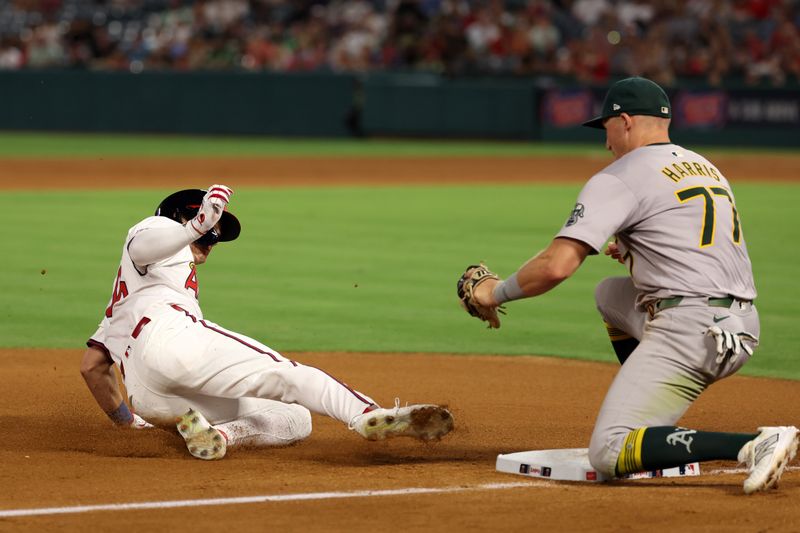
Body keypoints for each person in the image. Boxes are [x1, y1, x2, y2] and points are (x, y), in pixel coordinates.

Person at [463, 77, 798, 494]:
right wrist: (638, 252)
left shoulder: (619, 176)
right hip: (741, 326)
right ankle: (651, 418)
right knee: (608, 294)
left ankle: (753, 444)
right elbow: (693, 240)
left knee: (609, 450)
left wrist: (493, 292)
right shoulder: (703, 165)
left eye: (606, 128)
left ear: (623, 122)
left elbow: (556, 266)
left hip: (691, 332)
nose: (606, 143)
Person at [81, 185, 454, 460]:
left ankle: (221, 437)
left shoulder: (121, 303)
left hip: (151, 397)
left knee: (295, 418)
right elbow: (144, 244)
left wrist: (129, 423)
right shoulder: (152, 232)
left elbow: (93, 368)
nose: (212, 239)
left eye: (214, 236)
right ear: (180, 216)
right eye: (209, 230)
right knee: (284, 374)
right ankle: (369, 415)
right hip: (172, 341)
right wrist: (192, 227)